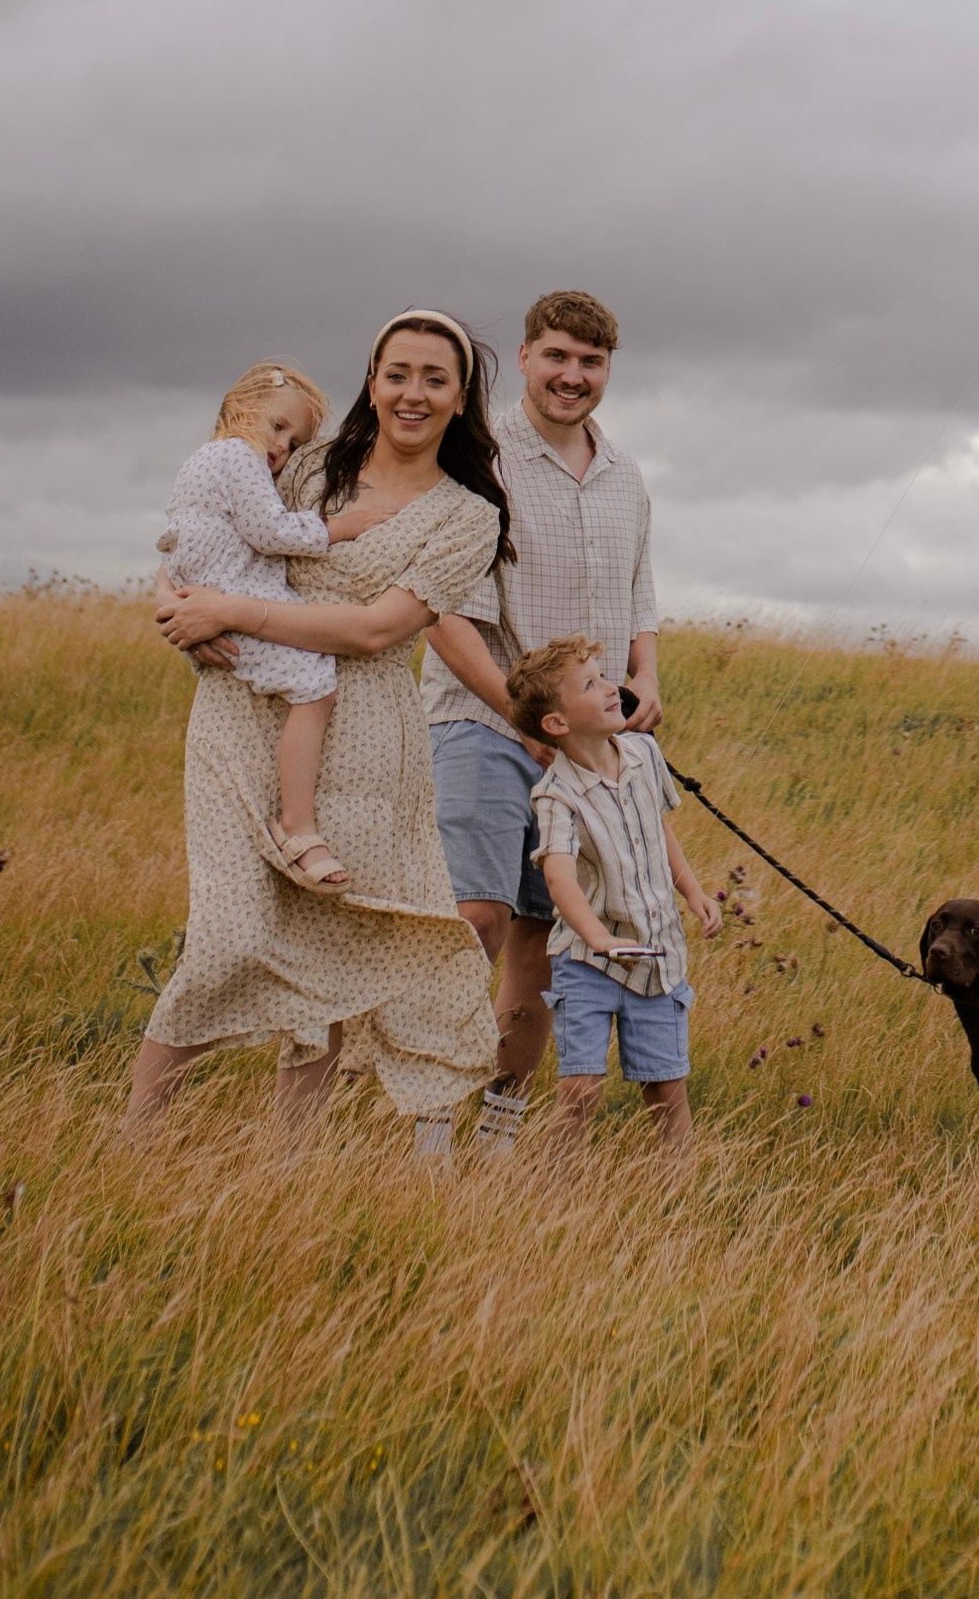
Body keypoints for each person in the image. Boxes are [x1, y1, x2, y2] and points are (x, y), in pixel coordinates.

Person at [125, 310, 511, 1155]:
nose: (412, 392)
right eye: (396, 372)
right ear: (372, 380)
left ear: (461, 399)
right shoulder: (303, 469)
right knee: (228, 938)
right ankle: (132, 1145)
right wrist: (173, 596)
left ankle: (288, 1165)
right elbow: (205, 523)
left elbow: (376, 631)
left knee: (331, 955)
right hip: (243, 715)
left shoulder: (467, 517)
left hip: (368, 737)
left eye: (433, 378)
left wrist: (231, 608)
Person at [418, 288, 659, 1141]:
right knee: (476, 918)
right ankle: (429, 1119)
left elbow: (640, 594)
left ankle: (501, 1117)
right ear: (523, 359)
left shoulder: (626, 475)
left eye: (590, 363)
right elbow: (445, 614)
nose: (573, 376)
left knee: (544, 941)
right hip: (480, 725)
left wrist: (644, 678)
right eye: (556, 356)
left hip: (586, 747)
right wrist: (524, 718)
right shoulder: (479, 460)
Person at [512, 632, 718, 1157]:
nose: (611, 688)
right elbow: (558, 875)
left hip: (658, 956)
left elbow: (659, 829)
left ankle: (677, 1195)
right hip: (588, 962)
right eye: (591, 684)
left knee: (666, 1090)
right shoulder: (554, 795)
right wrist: (599, 937)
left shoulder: (644, 754)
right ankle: (549, 1196)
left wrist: (693, 893)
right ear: (557, 724)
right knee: (579, 1090)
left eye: (604, 677)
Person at [158, 362, 347, 886]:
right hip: (238, 601)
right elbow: (269, 532)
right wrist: (337, 528)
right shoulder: (239, 456)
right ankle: (298, 826)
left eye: (294, 443)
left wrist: (166, 597)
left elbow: (174, 545)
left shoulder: (199, 462)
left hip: (212, 597)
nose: (281, 448)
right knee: (316, 687)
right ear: (240, 408)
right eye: (278, 427)